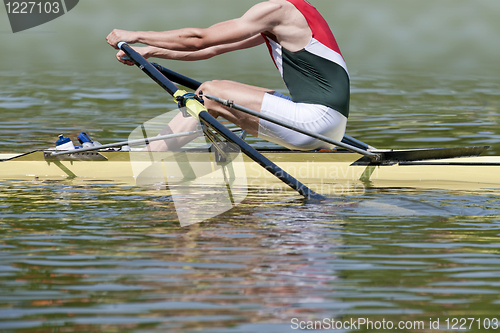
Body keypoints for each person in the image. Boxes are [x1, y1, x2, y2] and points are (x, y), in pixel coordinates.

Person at [106, 0, 349, 151]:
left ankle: (153, 154)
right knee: (218, 89)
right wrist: (151, 51)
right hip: (331, 129)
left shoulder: (277, 10)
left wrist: (137, 34)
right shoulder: (299, 11)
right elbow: (213, 48)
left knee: (212, 94)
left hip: (315, 123)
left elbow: (200, 39)